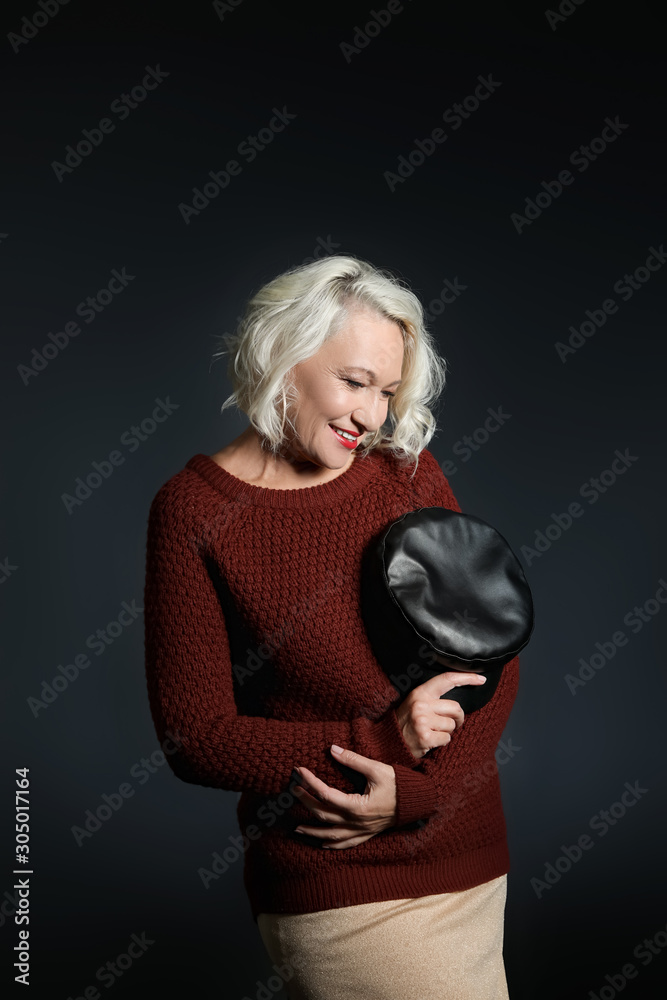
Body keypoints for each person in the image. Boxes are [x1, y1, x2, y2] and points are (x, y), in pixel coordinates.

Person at [143, 255, 519, 999]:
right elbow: (198, 736)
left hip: (464, 851)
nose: (371, 416)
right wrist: (381, 746)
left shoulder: (404, 472)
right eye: (353, 383)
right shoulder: (192, 512)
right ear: (282, 356)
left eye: (385, 391)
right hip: (339, 882)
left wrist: (415, 794)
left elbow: (491, 657)